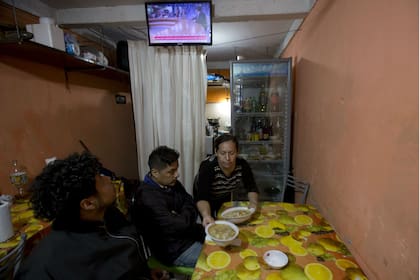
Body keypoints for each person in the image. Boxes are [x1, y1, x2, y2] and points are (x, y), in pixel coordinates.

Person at [16, 152, 167, 280]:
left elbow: (128, 260)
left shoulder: (109, 215)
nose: (108, 179)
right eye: (100, 178)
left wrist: (145, 273)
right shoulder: (46, 264)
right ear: (88, 204)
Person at [131, 146, 205, 268]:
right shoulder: (147, 197)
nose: (177, 175)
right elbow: (180, 224)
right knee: (217, 258)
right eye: (171, 171)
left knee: (227, 242)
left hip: (190, 233)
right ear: (155, 173)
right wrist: (182, 215)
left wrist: (180, 215)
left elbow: (190, 201)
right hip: (174, 250)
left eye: (177, 169)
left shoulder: (171, 182)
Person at [194, 134, 259, 226]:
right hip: (205, 197)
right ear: (216, 152)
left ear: (237, 152)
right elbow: (202, 197)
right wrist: (206, 215)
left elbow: (251, 187)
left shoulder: (242, 165)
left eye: (231, 153)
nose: (227, 158)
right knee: (210, 222)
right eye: (223, 153)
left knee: (225, 221)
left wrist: (253, 203)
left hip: (224, 193)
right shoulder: (208, 167)